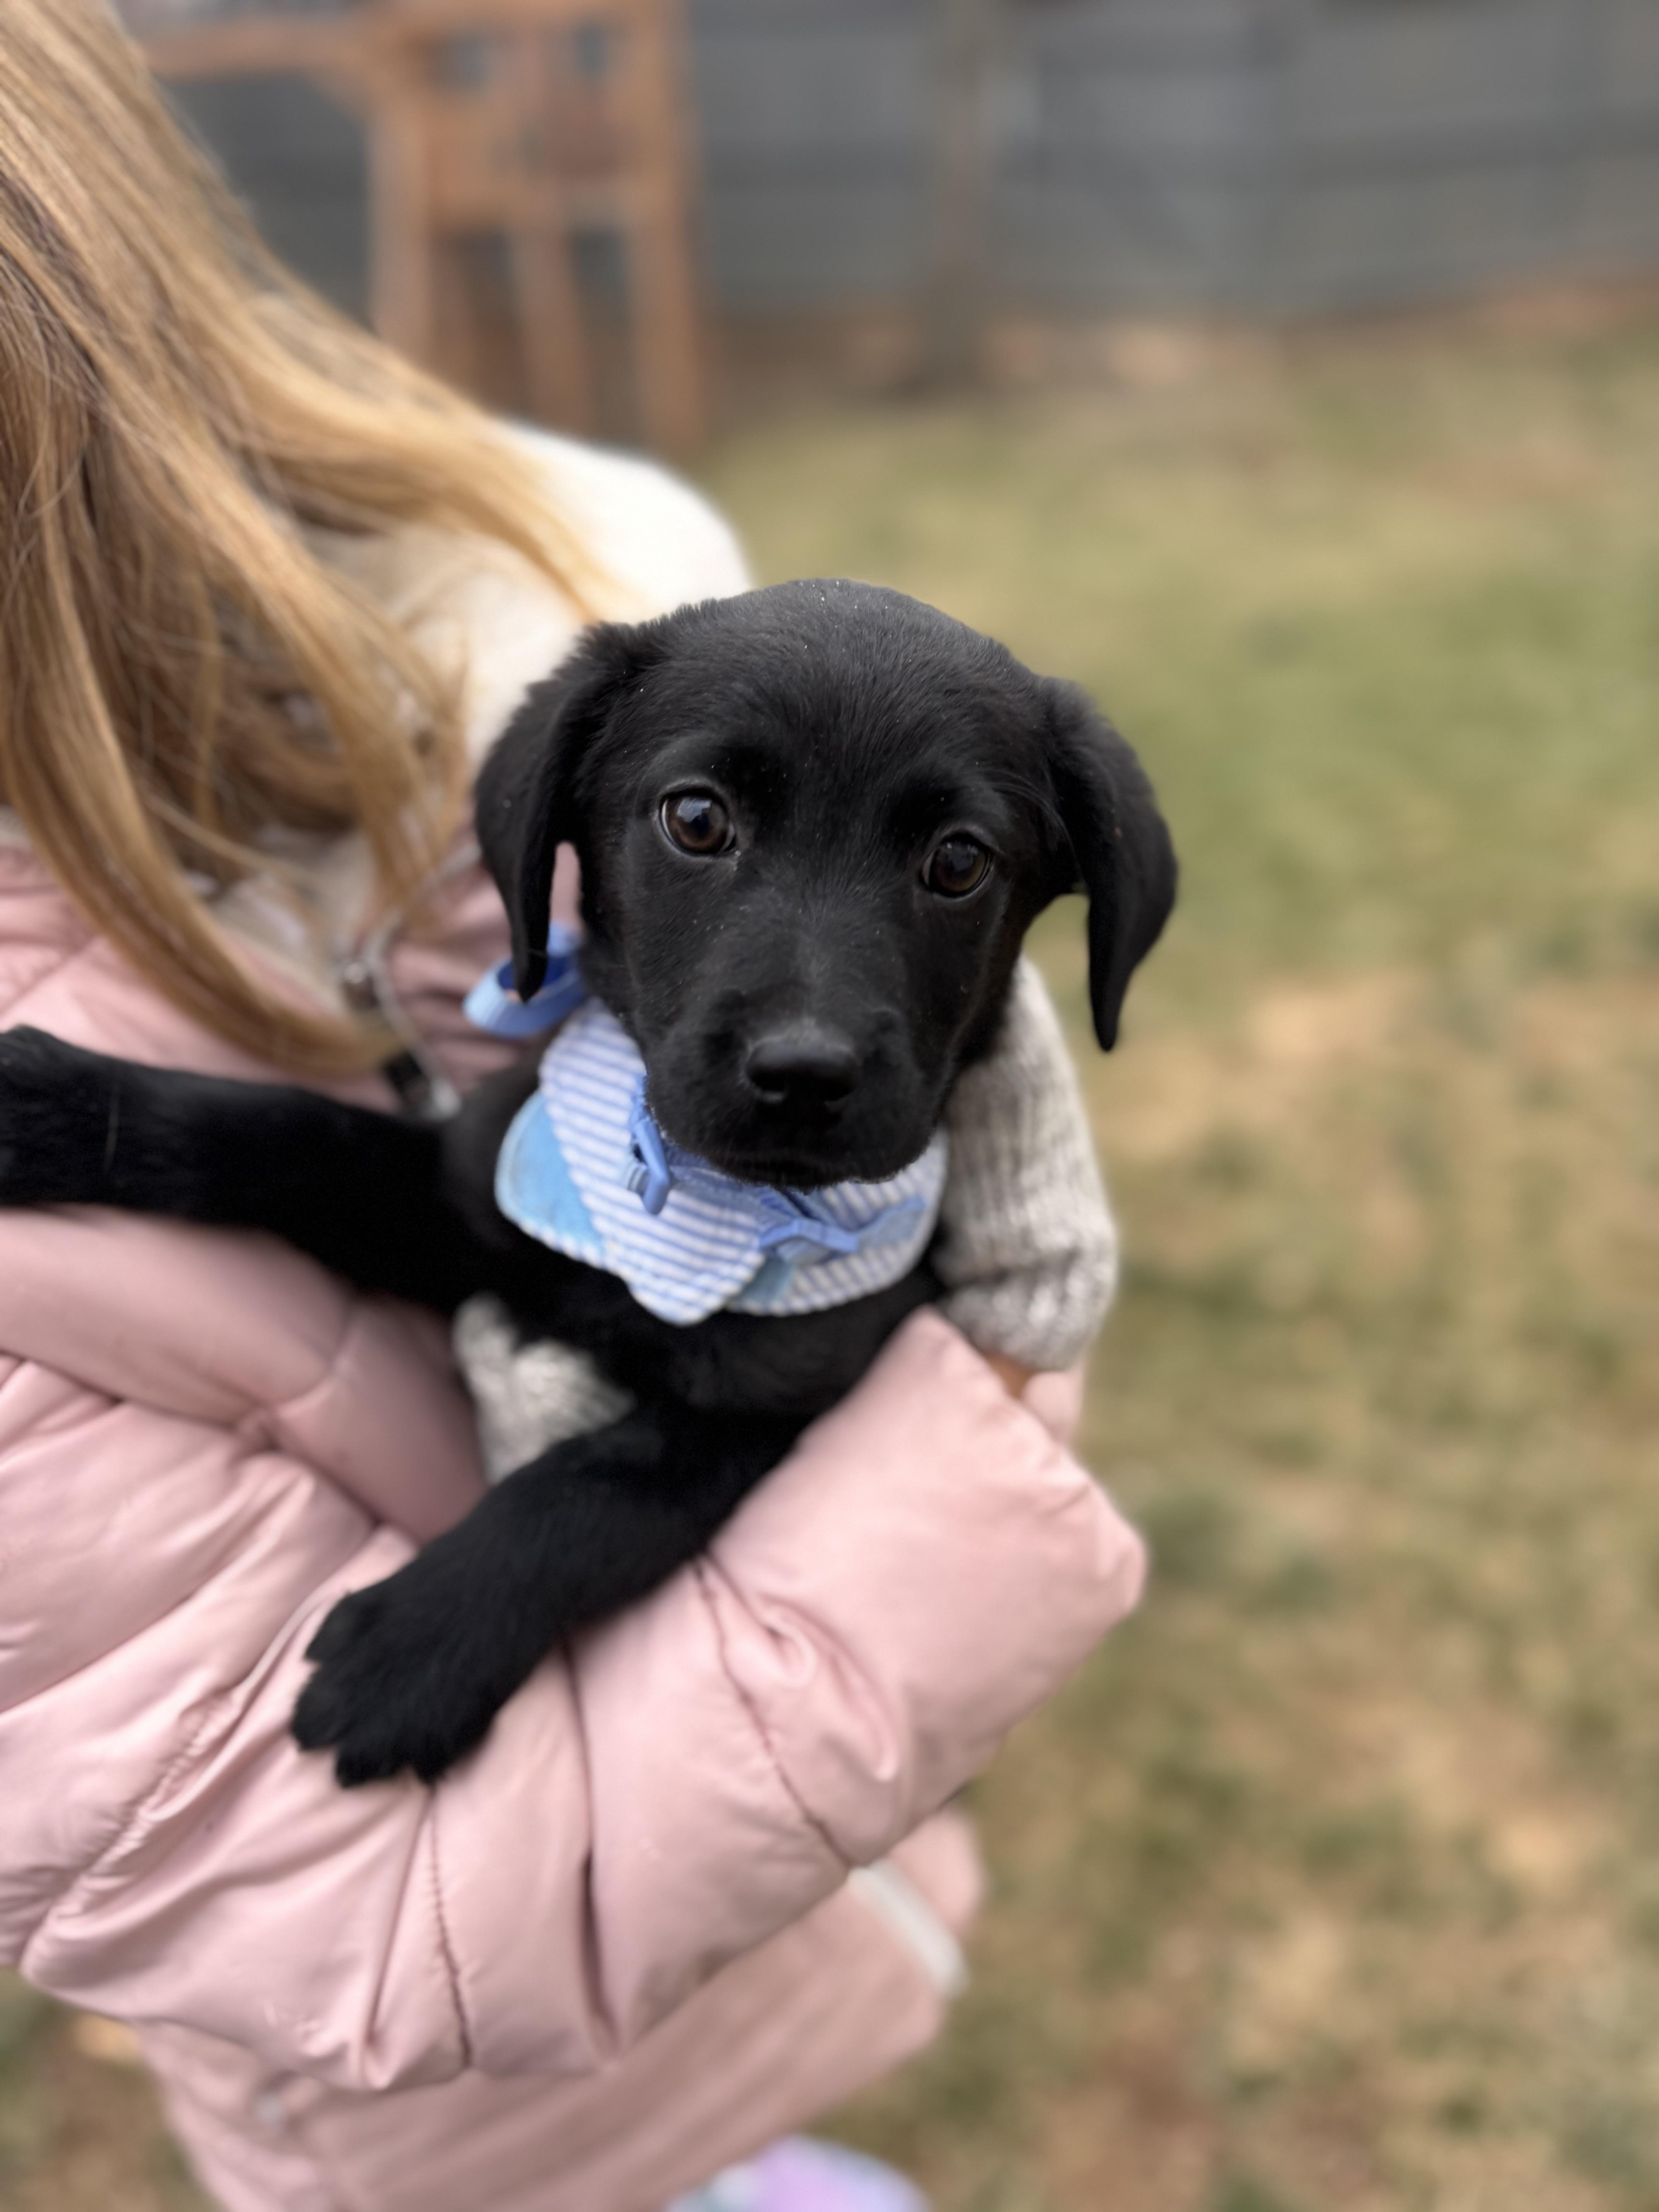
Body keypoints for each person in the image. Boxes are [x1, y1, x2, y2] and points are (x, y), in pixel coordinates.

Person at [0, 7, 1146, 2209]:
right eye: (705, 824)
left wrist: (525, 1566)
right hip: (407, 2090)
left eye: (949, 862)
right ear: (572, 833)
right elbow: (441, 1203)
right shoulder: (553, 969)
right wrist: (126, 1135)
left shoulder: (511, 637)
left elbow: (716, 1427)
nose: (803, 1028)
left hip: (758, 1861)